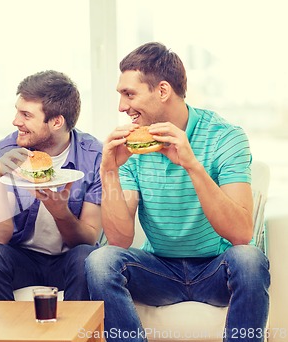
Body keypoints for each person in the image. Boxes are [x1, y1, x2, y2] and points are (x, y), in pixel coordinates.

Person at [85, 42, 270, 342]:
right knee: (100, 260)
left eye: (129, 94)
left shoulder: (225, 137)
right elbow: (119, 241)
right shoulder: (132, 148)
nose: (121, 107)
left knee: (249, 259)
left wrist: (192, 165)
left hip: (216, 269)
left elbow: (240, 234)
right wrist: (109, 171)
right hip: (159, 271)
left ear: (162, 90)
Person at [0, 70, 103, 300]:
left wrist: (62, 214)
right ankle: (6, 335)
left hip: (70, 259)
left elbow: (89, 239)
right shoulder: (4, 153)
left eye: (26, 115)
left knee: (87, 258)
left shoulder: (94, 156)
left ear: (56, 121)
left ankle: (74, 335)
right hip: (22, 258)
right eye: (17, 111)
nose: (15, 121)